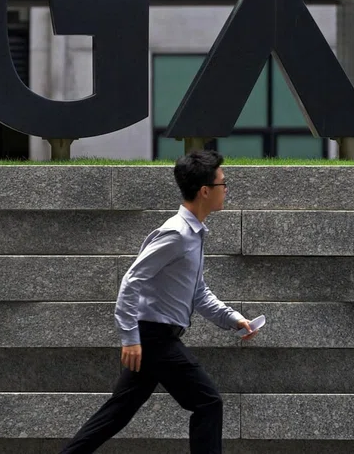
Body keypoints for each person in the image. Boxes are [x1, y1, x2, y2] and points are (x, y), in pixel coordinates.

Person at [59, 150, 257, 454]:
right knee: (208, 403)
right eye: (223, 183)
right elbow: (131, 280)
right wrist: (130, 338)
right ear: (205, 191)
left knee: (116, 413)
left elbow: (198, 292)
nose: (226, 189)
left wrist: (234, 319)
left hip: (155, 337)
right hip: (155, 339)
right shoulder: (176, 234)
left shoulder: (193, 234)